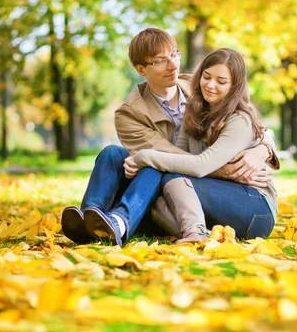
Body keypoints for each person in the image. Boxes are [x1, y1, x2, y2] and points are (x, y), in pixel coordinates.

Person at [61, 28, 279, 246]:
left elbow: (252, 122)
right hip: (177, 178)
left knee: (158, 168)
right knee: (113, 154)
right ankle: (89, 217)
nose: (173, 65)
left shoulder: (202, 87)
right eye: (160, 61)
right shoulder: (130, 114)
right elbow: (165, 157)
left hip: (193, 182)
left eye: (175, 55)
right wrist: (227, 171)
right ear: (141, 69)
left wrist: (264, 150)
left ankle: (121, 220)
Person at [124, 48, 278, 243]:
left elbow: (199, 166)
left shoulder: (240, 119)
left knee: (175, 177)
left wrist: (145, 157)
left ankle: (195, 232)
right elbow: (179, 155)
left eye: (221, 82)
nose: (211, 85)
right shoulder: (194, 114)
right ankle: (200, 234)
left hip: (256, 208)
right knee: (159, 201)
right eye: (206, 77)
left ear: (234, 86)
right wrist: (137, 159)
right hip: (217, 201)